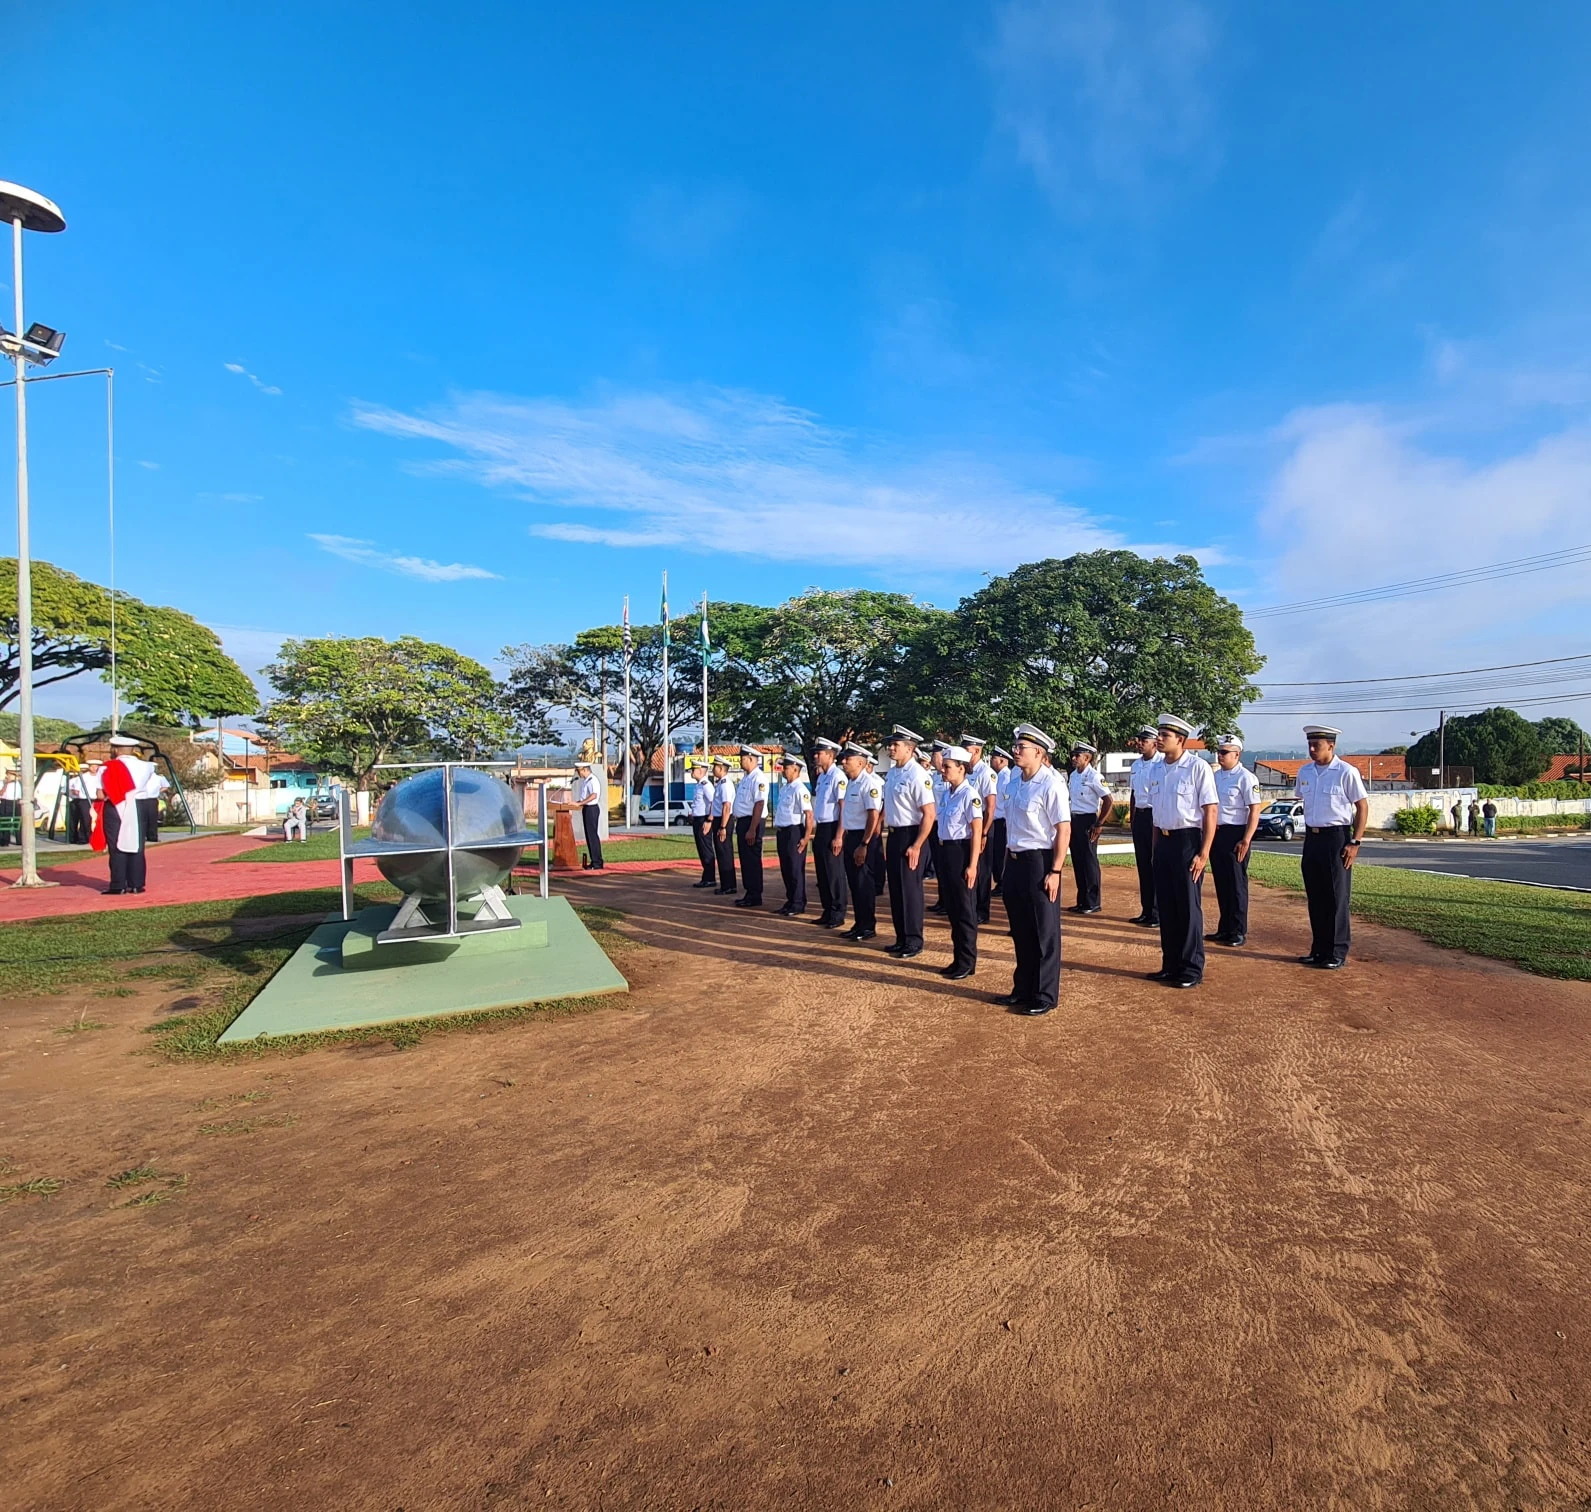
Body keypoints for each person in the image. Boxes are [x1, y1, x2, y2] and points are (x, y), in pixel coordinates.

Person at [1000, 724, 1072, 1015]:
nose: (1015, 751)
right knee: (1021, 930)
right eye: (1015, 746)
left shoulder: (1051, 783)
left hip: (1039, 862)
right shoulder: (1013, 781)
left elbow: (1063, 829)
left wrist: (1055, 871)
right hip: (1015, 861)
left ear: (1039, 753)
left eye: (1022, 748)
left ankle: (1044, 994)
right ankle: (1023, 989)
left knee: (1044, 931)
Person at [1146, 714, 1218, 989]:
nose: (1159, 739)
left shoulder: (1197, 768)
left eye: (1165, 735)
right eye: (1159, 734)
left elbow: (1210, 811)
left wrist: (1204, 853)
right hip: (1163, 841)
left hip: (1187, 841)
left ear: (1181, 740)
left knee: (1188, 907)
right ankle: (1171, 964)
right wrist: (1155, 849)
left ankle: (1191, 967)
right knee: (1166, 906)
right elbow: (1155, 813)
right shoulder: (1155, 770)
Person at [1296, 725, 1369, 970]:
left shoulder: (1346, 772)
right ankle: (1319, 949)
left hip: (1336, 838)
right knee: (1316, 897)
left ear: (1331, 745)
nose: (1312, 749)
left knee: (1336, 897)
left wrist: (1355, 841)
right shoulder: (1305, 771)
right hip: (1312, 838)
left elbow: (1362, 806)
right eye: (1310, 744)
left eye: (1317, 744)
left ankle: (1336, 951)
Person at [881, 726, 937, 958]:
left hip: (911, 835)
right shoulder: (893, 773)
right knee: (895, 888)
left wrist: (917, 845)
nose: (891, 748)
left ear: (910, 748)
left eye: (896, 745)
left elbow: (929, 814)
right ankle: (901, 937)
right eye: (891, 744)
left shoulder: (918, 775)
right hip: (894, 835)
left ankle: (914, 939)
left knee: (910, 889)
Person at [935, 746, 985, 979]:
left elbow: (976, 832)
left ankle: (967, 961)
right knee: (953, 910)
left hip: (961, 852)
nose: (943, 770)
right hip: (946, 853)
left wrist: (972, 865)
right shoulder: (947, 793)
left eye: (947, 767)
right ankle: (958, 958)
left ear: (962, 768)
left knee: (965, 910)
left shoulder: (970, 795)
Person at [1208, 735, 1262, 947]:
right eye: (1219, 752)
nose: (1220, 756)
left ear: (1237, 754)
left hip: (1235, 834)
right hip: (1217, 833)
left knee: (1236, 884)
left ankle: (1238, 930)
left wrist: (1246, 839)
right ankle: (1225, 928)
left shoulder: (1246, 778)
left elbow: (1254, 809)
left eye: (1224, 752)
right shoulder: (1216, 777)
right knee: (1222, 882)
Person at [838, 740, 884, 942]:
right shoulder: (851, 782)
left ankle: (868, 926)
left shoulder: (870, 783)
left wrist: (864, 844)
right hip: (851, 835)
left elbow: (873, 815)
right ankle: (859, 923)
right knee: (855, 884)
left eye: (848, 759)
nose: (844, 762)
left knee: (864, 884)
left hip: (863, 838)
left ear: (861, 762)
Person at [100, 733, 155, 894]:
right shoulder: (147, 766)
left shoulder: (107, 767)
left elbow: (100, 793)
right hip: (139, 804)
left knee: (117, 844)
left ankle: (118, 884)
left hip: (116, 803)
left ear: (116, 750)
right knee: (137, 844)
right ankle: (137, 884)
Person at [1066, 742, 1113, 914]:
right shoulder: (1074, 776)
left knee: (1089, 861)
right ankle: (1082, 901)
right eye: (1073, 755)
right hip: (1074, 820)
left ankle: (1093, 902)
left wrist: (1099, 823)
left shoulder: (1094, 776)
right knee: (1078, 860)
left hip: (1088, 821)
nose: (1073, 758)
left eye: (1077, 756)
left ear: (1087, 758)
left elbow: (1109, 800)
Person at [810, 737, 849, 928]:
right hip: (822, 827)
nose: (816, 756)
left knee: (834, 872)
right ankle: (827, 909)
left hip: (833, 827)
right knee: (822, 872)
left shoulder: (837, 777)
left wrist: (839, 835)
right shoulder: (822, 776)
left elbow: (843, 807)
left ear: (830, 755)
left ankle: (838, 911)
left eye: (820, 753)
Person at [1126, 725, 1162, 927]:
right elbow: (1133, 793)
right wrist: (1132, 818)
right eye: (1139, 740)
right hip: (1140, 816)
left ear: (1154, 743)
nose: (1139, 744)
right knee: (1142, 865)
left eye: (1144, 741)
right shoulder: (1136, 765)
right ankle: (1146, 909)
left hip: (1153, 816)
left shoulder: (1160, 765)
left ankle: (1156, 912)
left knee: (1154, 864)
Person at [962, 734, 998, 924]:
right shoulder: (965, 771)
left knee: (982, 870)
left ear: (977, 751)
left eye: (967, 750)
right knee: (969, 866)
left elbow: (991, 806)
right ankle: (969, 907)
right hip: (967, 825)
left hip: (983, 824)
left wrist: (984, 832)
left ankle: (982, 911)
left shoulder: (986, 773)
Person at [773, 753, 814, 916]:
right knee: (786, 868)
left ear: (796, 769)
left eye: (787, 768)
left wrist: (805, 838)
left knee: (795, 869)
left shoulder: (800, 789)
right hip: (782, 831)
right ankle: (790, 900)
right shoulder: (785, 788)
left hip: (794, 831)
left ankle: (798, 903)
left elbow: (808, 815)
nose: (784, 771)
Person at [731, 745, 770, 909]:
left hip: (752, 822)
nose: (740, 761)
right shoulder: (747, 778)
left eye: (742, 758)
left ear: (751, 759)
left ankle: (755, 894)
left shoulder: (758, 778)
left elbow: (759, 804)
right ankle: (749, 892)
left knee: (752, 859)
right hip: (743, 821)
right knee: (745, 860)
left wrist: (752, 829)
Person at [926, 742, 950, 913]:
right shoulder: (934, 777)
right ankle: (942, 900)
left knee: (947, 867)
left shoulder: (950, 778)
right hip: (934, 825)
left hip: (946, 826)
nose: (932, 757)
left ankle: (948, 901)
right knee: (939, 865)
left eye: (936, 754)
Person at [987, 745, 1013, 895]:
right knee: (995, 853)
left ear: (1002, 760)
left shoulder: (1006, 777)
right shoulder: (998, 777)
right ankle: (999, 882)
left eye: (994, 758)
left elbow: (1006, 802)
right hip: (996, 820)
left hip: (1002, 820)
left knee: (1001, 853)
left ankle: (1002, 883)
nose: (992, 761)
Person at [687, 759, 717, 889]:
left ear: (700, 771)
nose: (691, 772)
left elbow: (713, 802)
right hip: (697, 819)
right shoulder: (699, 785)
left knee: (706, 849)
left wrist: (709, 820)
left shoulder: (706, 785)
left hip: (704, 820)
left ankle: (710, 878)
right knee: (701, 849)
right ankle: (706, 877)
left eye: (693, 769)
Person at [710, 756, 738, 895]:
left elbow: (727, 806)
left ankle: (729, 886)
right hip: (719, 820)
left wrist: (722, 827)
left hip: (724, 820)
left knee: (725, 853)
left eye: (715, 766)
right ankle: (726, 884)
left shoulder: (726, 784)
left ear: (721, 768)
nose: (713, 769)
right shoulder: (721, 783)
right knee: (721, 853)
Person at [573, 758, 605, 871]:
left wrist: (581, 803)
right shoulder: (586, 780)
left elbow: (593, 796)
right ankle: (594, 861)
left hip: (592, 809)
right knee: (589, 836)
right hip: (586, 808)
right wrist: (577, 803)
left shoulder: (592, 780)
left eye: (579, 771)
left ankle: (597, 862)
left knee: (592, 836)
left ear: (585, 769)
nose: (578, 773)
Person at [66, 761, 101, 845]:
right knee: (85, 819)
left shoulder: (99, 777)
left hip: (97, 799)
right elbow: (76, 791)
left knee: (98, 820)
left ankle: (95, 837)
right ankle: (83, 838)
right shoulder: (83, 777)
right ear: (89, 767)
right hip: (85, 799)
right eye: (92, 766)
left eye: (96, 766)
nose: (94, 768)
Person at [0, 765, 20, 847]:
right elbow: (1, 793)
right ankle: (3, 840)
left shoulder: (17, 784)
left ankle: (12, 840)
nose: (8, 776)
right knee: (3, 821)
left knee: (12, 822)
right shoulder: (2, 782)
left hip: (14, 802)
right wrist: (6, 783)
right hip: (4, 802)